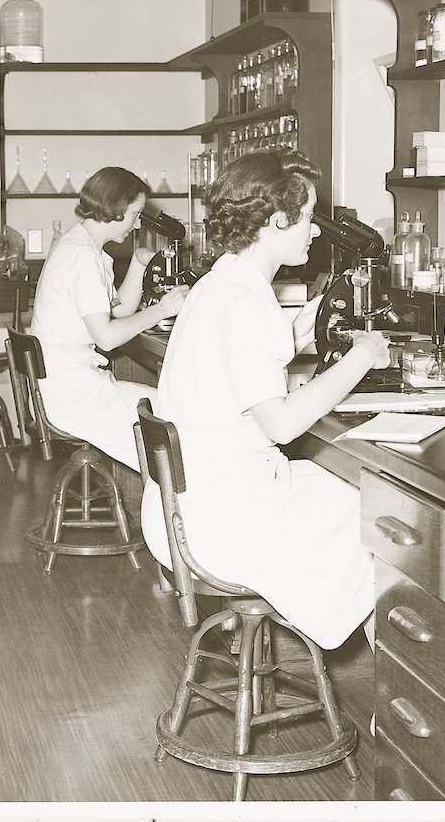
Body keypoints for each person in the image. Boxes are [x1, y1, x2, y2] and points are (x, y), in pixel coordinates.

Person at [140, 150, 391, 651]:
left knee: (335, 489)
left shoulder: (220, 284)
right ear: (277, 221)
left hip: (182, 507)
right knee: (383, 519)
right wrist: (361, 357)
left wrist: (303, 326)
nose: (316, 231)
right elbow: (279, 425)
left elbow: (243, 361)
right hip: (224, 522)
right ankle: (399, 696)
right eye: (308, 218)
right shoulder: (244, 303)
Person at [30, 167, 189, 471]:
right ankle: (173, 509)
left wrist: (139, 265)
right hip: (75, 397)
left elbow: (120, 311)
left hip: (71, 387)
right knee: (177, 419)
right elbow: (106, 336)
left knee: (174, 410)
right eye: (135, 213)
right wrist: (161, 310)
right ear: (116, 211)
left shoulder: (82, 245)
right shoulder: (82, 258)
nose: (138, 223)